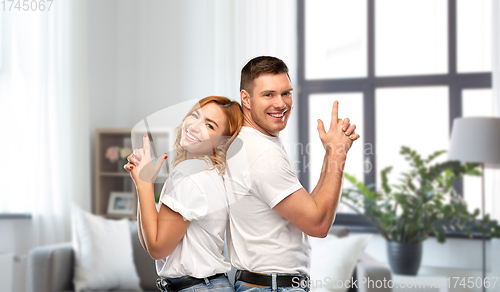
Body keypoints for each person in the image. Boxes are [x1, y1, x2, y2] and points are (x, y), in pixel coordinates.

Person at [224, 56, 360, 292]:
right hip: (271, 286)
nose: (281, 103)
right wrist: (339, 155)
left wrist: (330, 153)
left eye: (286, 93)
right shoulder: (261, 153)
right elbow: (318, 225)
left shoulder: (255, 143)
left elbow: (309, 208)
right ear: (246, 99)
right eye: (269, 95)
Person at [125, 96, 243, 292]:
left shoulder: (191, 175)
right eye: (194, 115)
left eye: (209, 126)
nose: (194, 126)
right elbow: (150, 241)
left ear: (223, 143)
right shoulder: (208, 171)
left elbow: (157, 248)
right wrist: (143, 184)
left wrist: (144, 183)